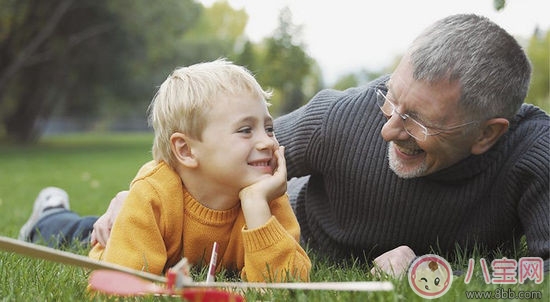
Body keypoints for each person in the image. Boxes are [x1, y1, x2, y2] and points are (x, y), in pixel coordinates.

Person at [93, 14, 549, 277]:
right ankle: (53, 216)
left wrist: (434, 271)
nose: (389, 128)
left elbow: (540, 276)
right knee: (107, 231)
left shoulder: (536, 156)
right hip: (263, 225)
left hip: (272, 246)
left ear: (488, 133)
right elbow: (214, 154)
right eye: (391, 99)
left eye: (417, 120)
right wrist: (135, 197)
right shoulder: (342, 116)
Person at [18, 59, 311, 282]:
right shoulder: (154, 196)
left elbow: (288, 285)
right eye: (246, 130)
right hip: (119, 238)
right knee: (77, 233)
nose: (267, 141)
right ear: (185, 150)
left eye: (269, 128)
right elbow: (117, 286)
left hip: (158, 239)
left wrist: (257, 207)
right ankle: (49, 214)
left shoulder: (266, 197)